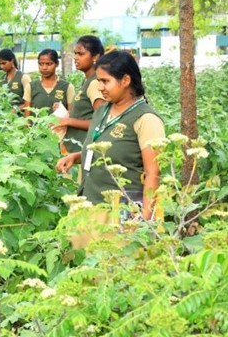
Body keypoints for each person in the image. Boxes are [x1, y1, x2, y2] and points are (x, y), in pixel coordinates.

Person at [56, 51, 164, 221]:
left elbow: (153, 172)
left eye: (105, 81)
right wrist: (77, 157)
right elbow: (104, 149)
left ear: (126, 81)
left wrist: (145, 219)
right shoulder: (102, 111)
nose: (100, 87)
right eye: (98, 81)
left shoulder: (146, 119)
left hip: (119, 214)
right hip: (87, 204)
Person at [56, 36, 105, 154]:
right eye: (75, 53)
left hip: (85, 152)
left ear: (96, 57)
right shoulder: (86, 81)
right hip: (76, 151)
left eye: (81, 54)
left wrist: (68, 121)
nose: (76, 58)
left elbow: (102, 123)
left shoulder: (94, 83)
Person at [24, 49, 74, 118]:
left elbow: (71, 114)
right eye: (41, 64)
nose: (44, 68)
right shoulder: (31, 86)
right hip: (36, 128)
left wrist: (62, 111)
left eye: (49, 64)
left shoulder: (67, 87)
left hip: (59, 128)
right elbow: (27, 118)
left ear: (57, 64)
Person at [0, 48, 30, 113]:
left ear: (12, 61)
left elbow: (30, 101)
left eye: (4, 63)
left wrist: (16, 110)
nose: (2, 66)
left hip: (21, 118)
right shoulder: (1, 79)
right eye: (0, 64)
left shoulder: (23, 78)